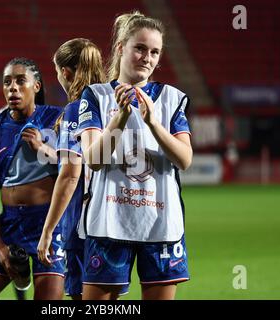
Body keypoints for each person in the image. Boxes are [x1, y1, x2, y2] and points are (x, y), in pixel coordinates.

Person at [77, 11, 193, 300]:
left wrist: (154, 122)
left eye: (155, 51)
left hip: (161, 225)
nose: (147, 57)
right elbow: (93, 158)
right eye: (139, 48)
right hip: (109, 223)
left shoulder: (171, 98)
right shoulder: (96, 95)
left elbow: (184, 159)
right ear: (121, 49)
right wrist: (120, 117)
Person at [0, 58, 65, 300]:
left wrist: (42, 148)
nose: (12, 88)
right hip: (10, 224)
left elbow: (76, 167)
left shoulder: (57, 119)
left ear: (36, 86)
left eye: (20, 81)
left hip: (49, 224)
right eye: (7, 82)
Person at [37, 38, 116, 299]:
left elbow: (70, 175)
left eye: (57, 71)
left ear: (66, 72)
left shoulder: (76, 109)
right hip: (116, 223)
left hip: (82, 226)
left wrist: (48, 230)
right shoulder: (112, 104)